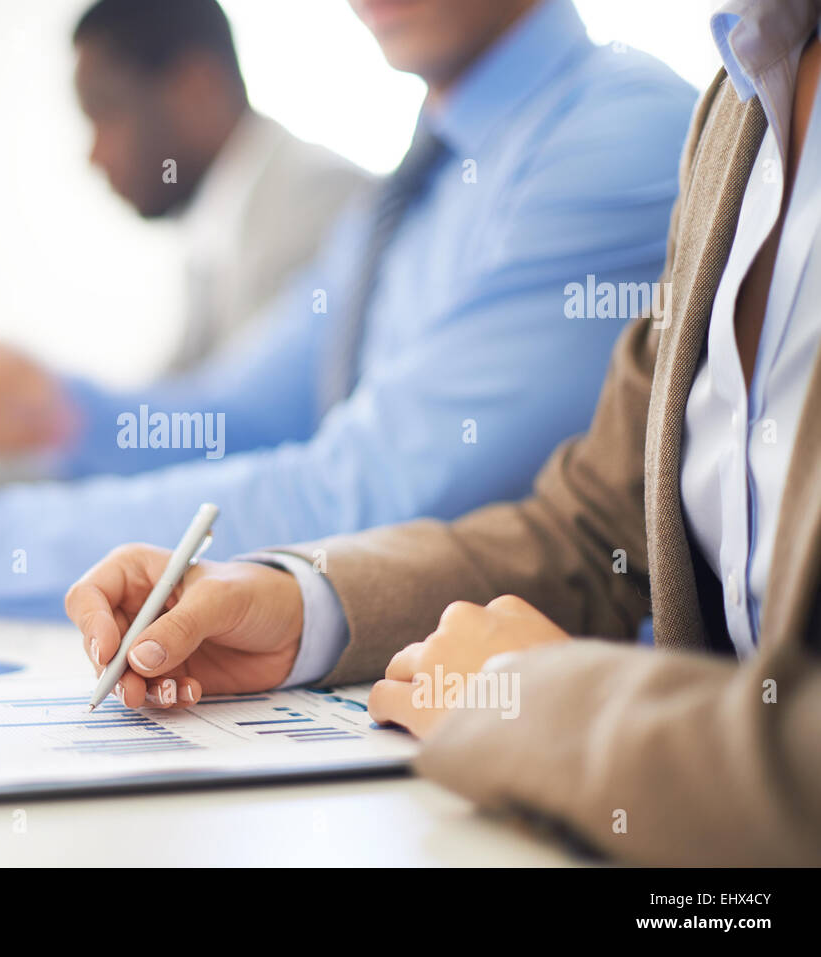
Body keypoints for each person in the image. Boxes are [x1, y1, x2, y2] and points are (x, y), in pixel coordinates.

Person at [64, 0, 821, 866]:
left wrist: (548, 706)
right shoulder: (738, 103)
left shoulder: (619, 127)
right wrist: (303, 602)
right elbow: (598, 528)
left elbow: (361, 478)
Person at [0, 0, 695, 617]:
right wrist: (56, 411)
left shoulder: (611, 139)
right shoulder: (408, 195)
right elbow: (240, 414)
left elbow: (369, 495)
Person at [0, 0, 371, 455]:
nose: (93, 155)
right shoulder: (221, 221)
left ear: (197, 89)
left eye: (105, 113)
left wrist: (49, 417)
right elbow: (176, 394)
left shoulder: (315, 200)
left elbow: (237, 430)